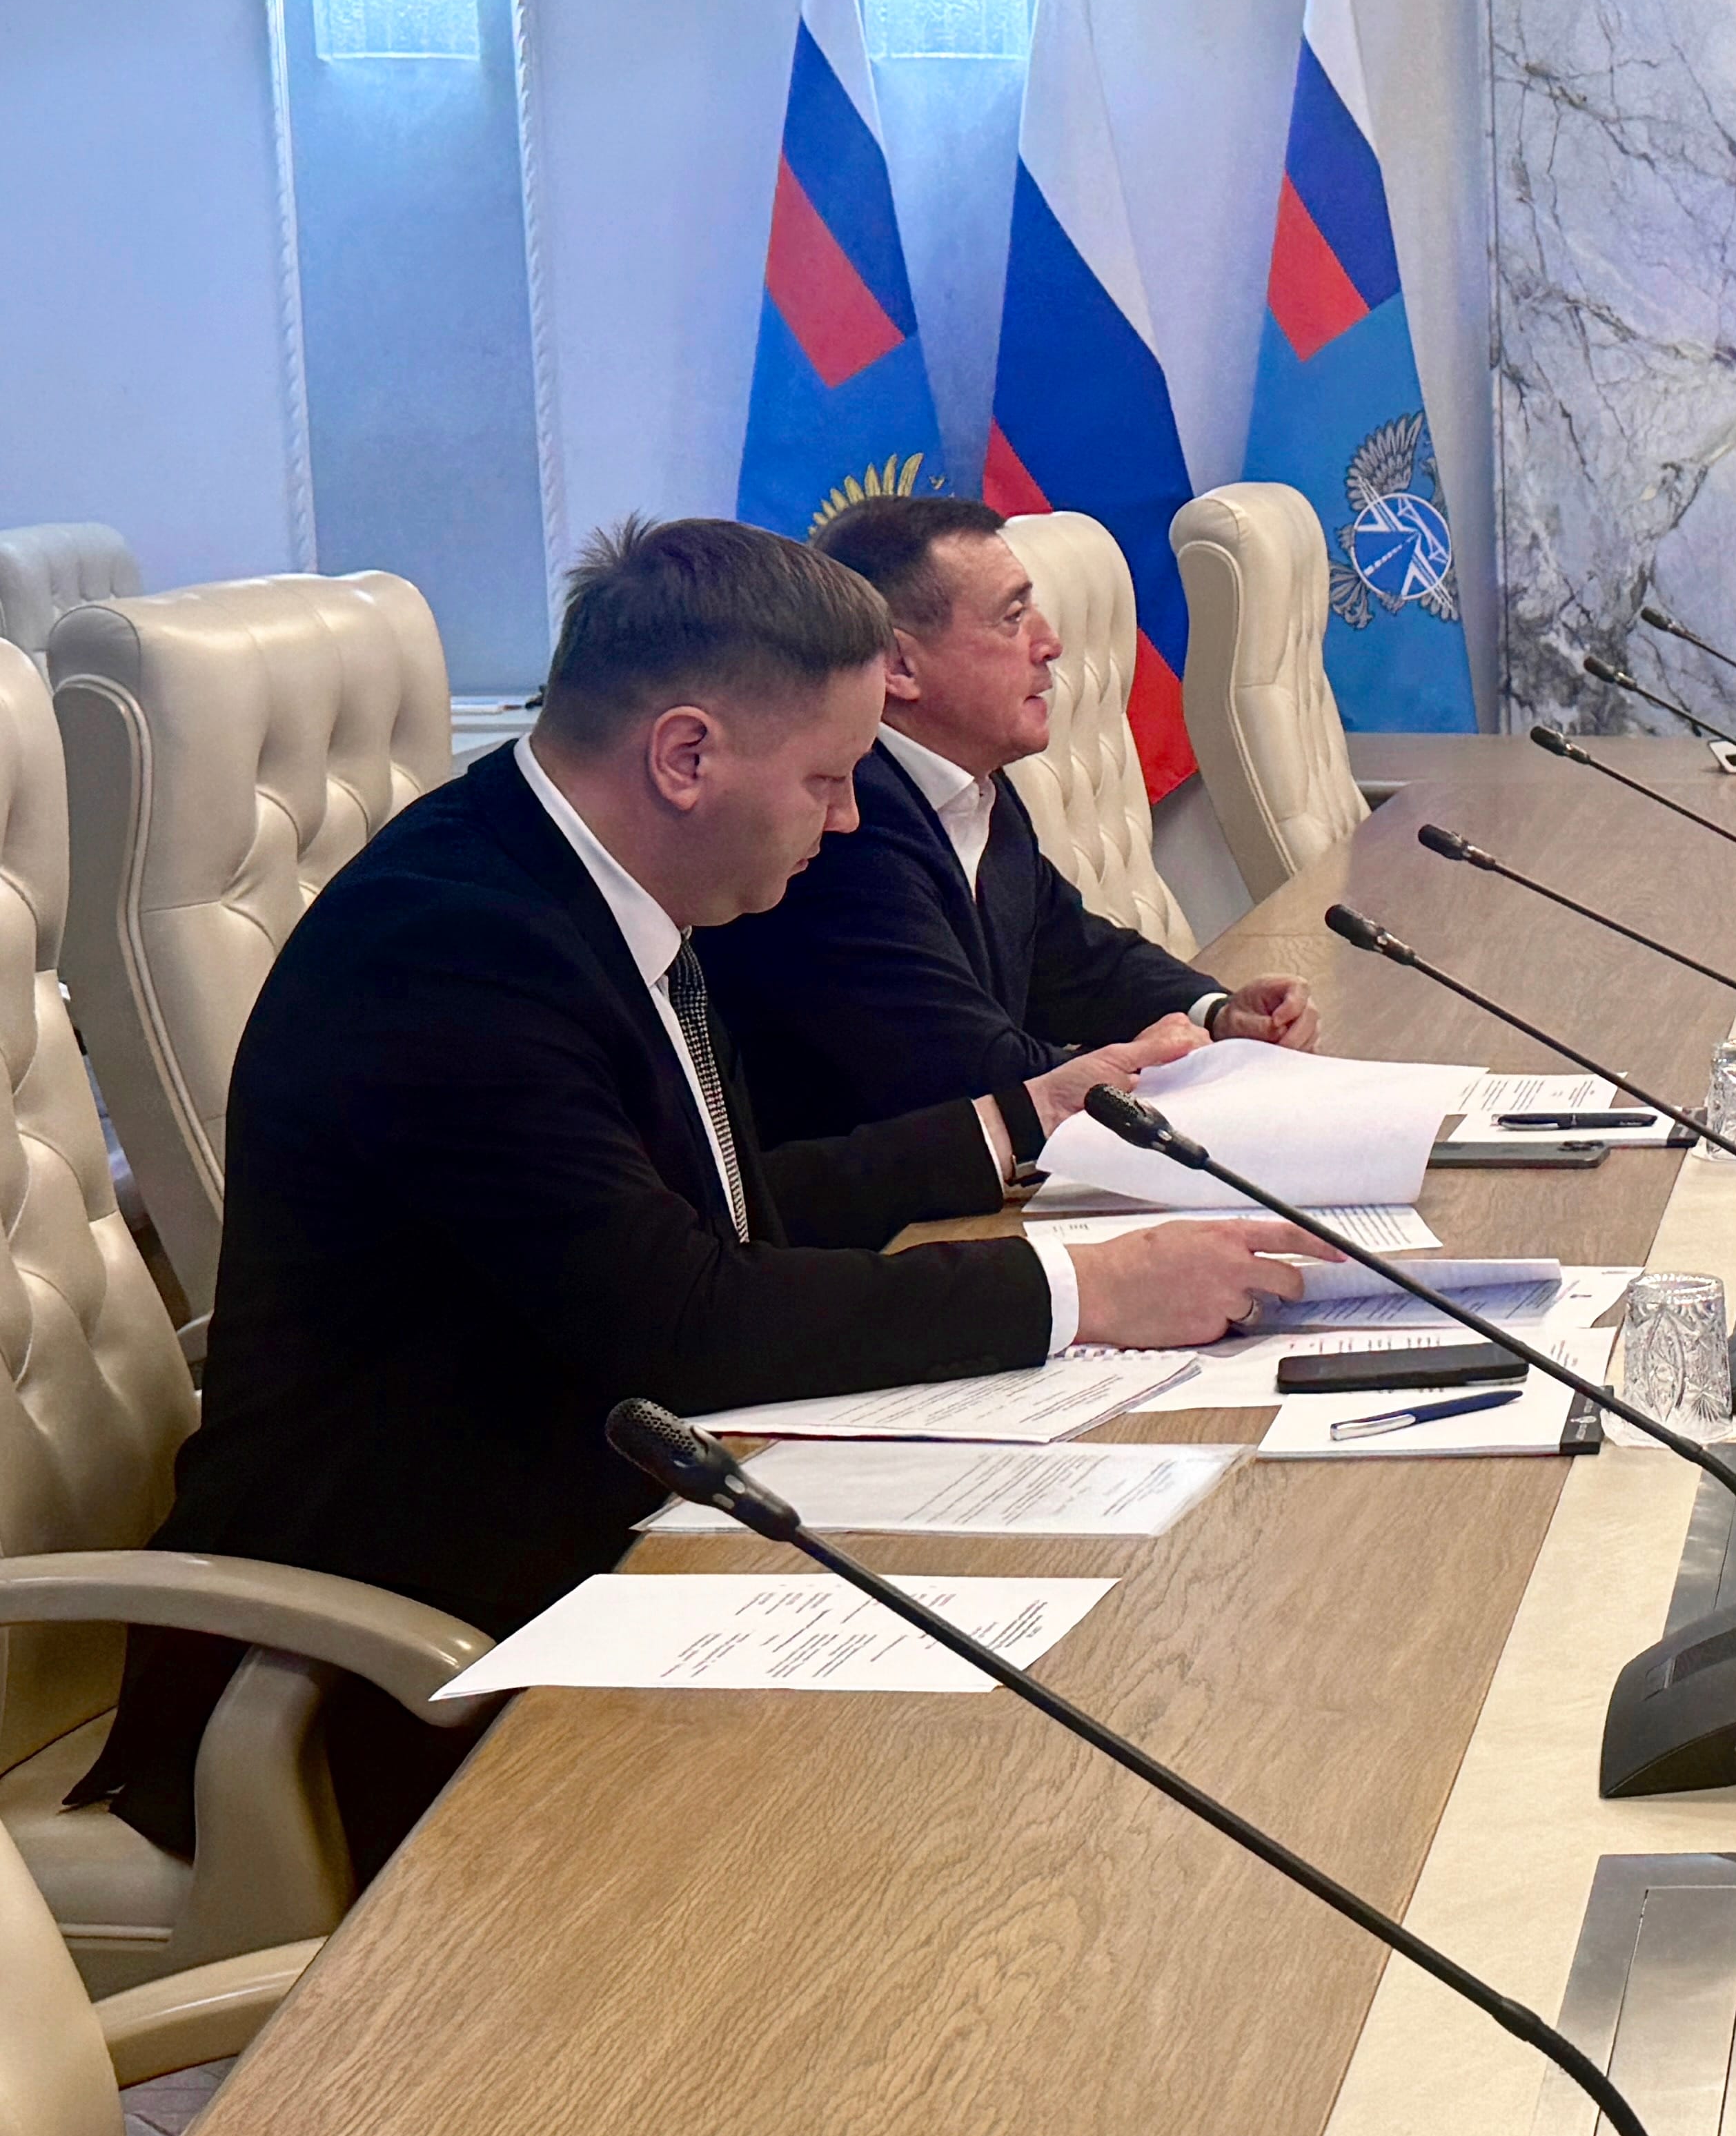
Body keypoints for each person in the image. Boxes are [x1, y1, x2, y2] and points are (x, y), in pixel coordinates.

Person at [77, 519, 1309, 1867]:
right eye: (828, 780)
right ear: (685, 755)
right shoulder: (452, 949)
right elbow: (688, 1317)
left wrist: (1020, 1118)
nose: (850, 820)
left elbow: (718, 1214)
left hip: (607, 1524)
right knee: (989, 1819)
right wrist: (1087, 1287)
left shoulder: (602, 883)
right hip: (390, 1648)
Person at [699, 493, 1324, 1149]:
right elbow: (973, 1076)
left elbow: (1075, 959)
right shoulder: (847, 831)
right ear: (899, 666)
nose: (1051, 643)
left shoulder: (970, 782)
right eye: (1013, 617)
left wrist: (1218, 1014)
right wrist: (1171, 1071)